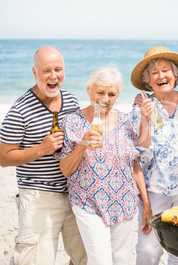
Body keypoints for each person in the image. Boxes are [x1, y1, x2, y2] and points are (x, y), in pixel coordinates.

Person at [57, 64, 152, 265]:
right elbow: (65, 169)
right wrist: (82, 145)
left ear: (118, 95)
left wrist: (146, 203)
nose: (105, 99)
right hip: (88, 203)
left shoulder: (126, 122)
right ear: (89, 90)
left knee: (121, 260)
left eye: (112, 94)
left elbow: (134, 166)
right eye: (100, 92)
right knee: (100, 260)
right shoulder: (72, 122)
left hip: (124, 204)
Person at [0, 46, 87, 264]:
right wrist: (42, 149)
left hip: (75, 193)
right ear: (34, 72)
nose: (53, 76)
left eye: (58, 69)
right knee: (36, 259)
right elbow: (3, 157)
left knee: (85, 256)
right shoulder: (20, 110)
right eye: (46, 70)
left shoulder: (71, 100)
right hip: (40, 196)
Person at [130, 46, 178, 265]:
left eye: (166, 70)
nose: (161, 76)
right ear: (148, 81)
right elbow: (142, 156)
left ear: (175, 76)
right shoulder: (141, 108)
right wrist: (144, 120)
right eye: (154, 72)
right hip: (154, 190)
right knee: (148, 251)